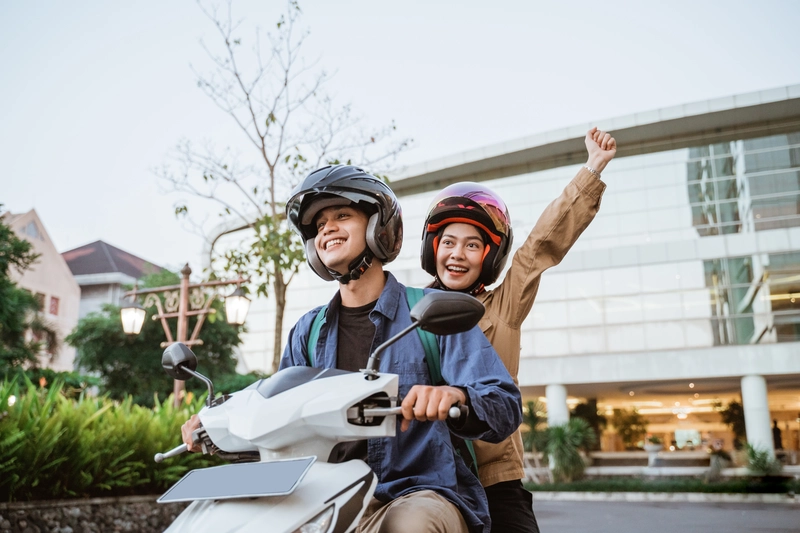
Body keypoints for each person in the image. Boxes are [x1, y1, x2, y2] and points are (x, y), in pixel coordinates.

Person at [182, 165, 522, 533]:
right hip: (324, 497)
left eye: (342, 215)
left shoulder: (427, 314)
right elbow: (276, 410)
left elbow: (503, 402)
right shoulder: (307, 332)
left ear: (380, 228)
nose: (327, 228)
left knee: (410, 528)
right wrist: (218, 419)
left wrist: (454, 397)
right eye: (319, 224)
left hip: (412, 493)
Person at [419, 127, 617, 533]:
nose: (458, 254)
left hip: (495, 481)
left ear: (489, 255)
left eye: (473, 245)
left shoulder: (503, 306)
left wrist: (591, 169)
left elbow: (541, 244)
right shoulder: (406, 312)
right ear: (432, 248)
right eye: (449, 242)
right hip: (425, 481)